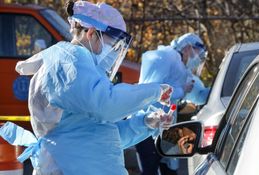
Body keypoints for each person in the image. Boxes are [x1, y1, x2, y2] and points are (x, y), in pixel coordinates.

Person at [0, 1, 173, 174]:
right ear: (91, 33)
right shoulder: (68, 61)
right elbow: (106, 104)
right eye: (114, 45)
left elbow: (99, 137)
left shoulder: (84, 69)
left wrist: (145, 123)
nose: (114, 52)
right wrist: (154, 91)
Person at [136, 33, 208, 175]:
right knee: (150, 171)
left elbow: (199, 95)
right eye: (197, 54)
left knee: (170, 170)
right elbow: (151, 91)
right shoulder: (164, 57)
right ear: (188, 48)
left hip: (167, 127)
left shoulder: (181, 68)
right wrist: (181, 91)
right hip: (148, 126)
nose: (197, 60)